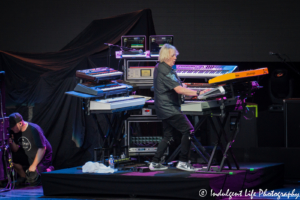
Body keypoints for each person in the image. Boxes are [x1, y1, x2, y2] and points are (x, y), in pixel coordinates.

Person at [149, 44, 210, 172]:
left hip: (163, 107)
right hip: (169, 108)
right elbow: (178, 89)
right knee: (188, 130)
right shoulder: (165, 70)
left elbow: (177, 85)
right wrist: (199, 93)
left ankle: (155, 163)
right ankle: (183, 161)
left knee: (168, 136)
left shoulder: (161, 67)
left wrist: (188, 88)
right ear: (166, 56)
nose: (175, 58)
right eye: (173, 55)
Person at [8, 112, 53, 184]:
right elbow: (15, 149)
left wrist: (33, 165)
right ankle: (24, 177)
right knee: (10, 160)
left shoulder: (34, 129)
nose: (12, 128)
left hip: (42, 155)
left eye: (13, 126)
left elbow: (42, 148)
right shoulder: (14, 131)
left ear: (20, 123)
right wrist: (11, 142)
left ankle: (49, 169)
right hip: (28, 154)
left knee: (36, 180)